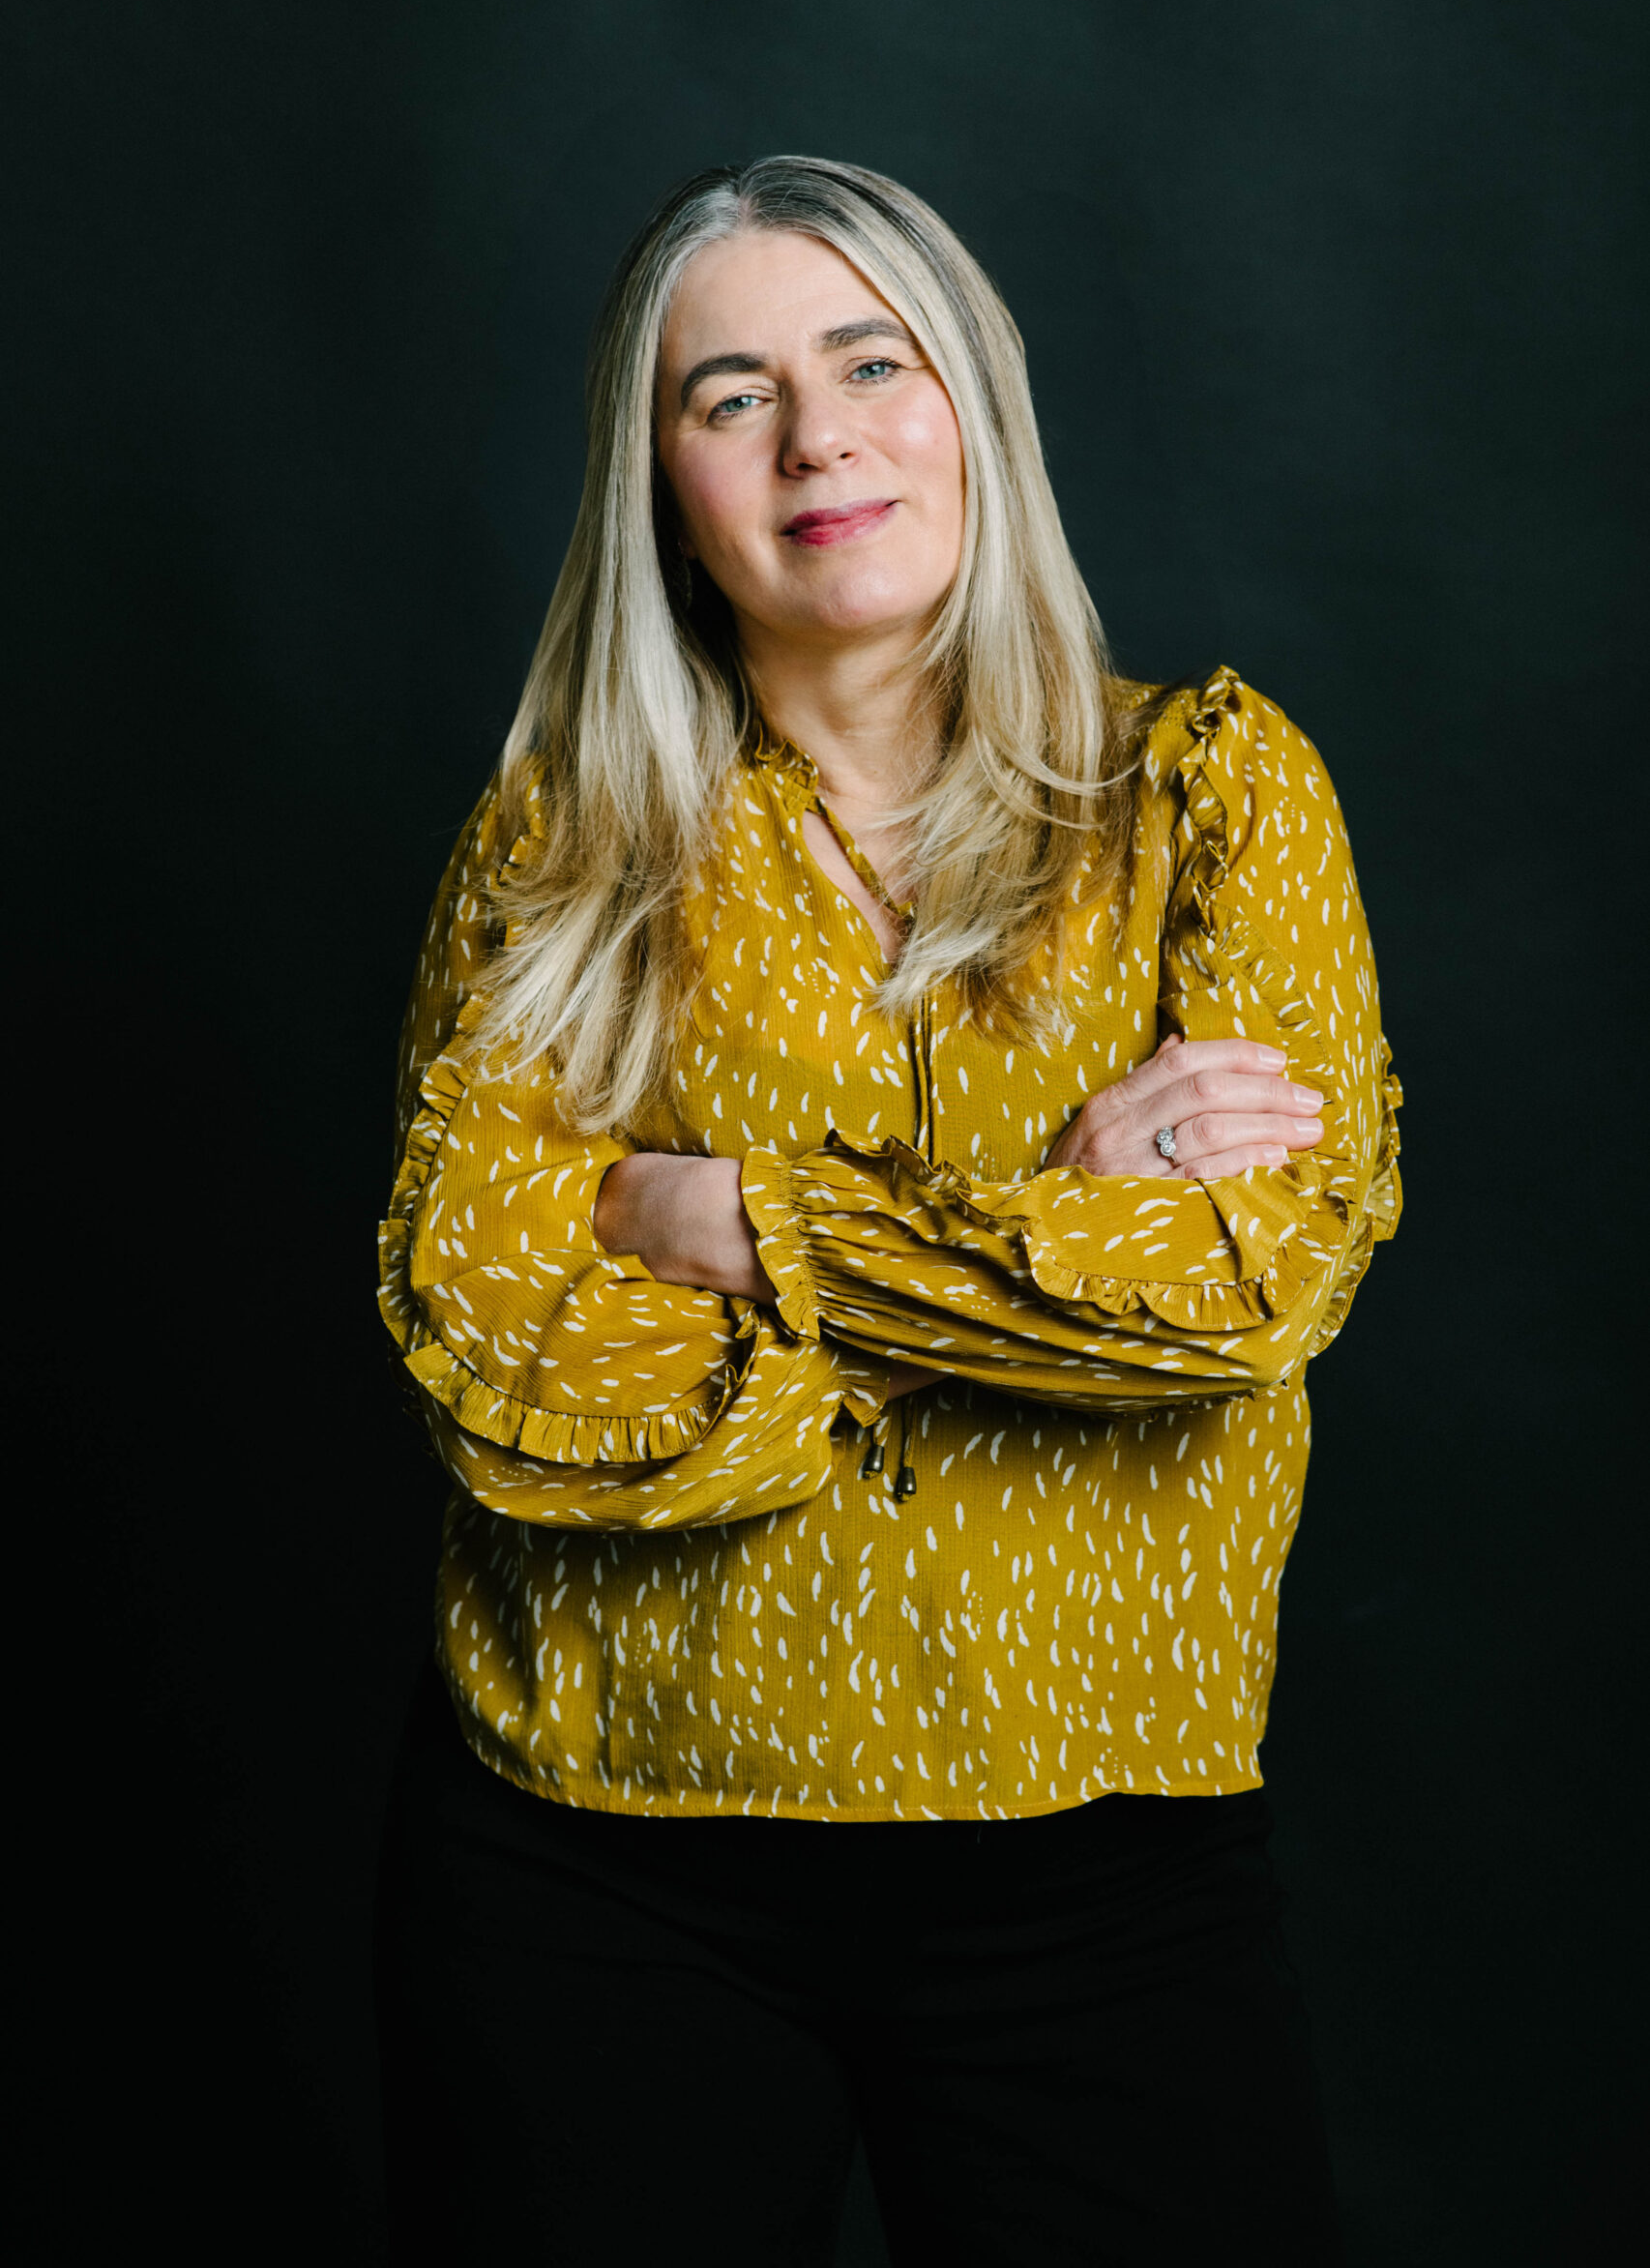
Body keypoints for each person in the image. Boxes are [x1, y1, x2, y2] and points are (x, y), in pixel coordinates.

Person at [374, 156, 1401, 2266]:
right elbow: (486, 1331)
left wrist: (733, 1224)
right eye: (728, 393)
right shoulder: (560, 848)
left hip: (1107, 1875)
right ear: (665, 486)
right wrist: (1047, 1225)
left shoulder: (1217, 794)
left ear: (974, 412)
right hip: (597, 1852)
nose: (815, 434)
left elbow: (1239, 1288)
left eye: (870, 361)